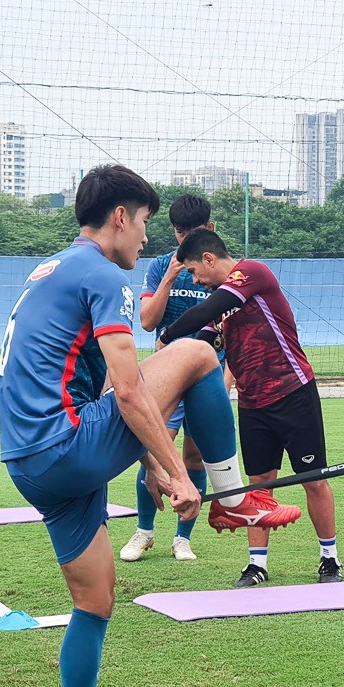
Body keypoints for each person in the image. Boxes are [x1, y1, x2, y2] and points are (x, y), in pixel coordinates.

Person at [0, 165, 300, 687]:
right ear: (119, 217)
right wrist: (179, 473)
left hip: (31, 464)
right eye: (142, 223)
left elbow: (104, 393)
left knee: (96, 600)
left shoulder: (50, 269)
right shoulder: (102, 273)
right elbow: (131, 391)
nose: (145, 238)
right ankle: (231, 497)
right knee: (196, 352)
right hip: (66, 447)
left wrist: (152, 463)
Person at [165, 228, 342, 588]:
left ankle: (329, 558)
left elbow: (205, 311)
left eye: (195, 272)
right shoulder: (221, 304)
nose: (196, 280)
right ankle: (256, 564)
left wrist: (167, 336)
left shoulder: (251, 273)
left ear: (209, 259)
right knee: (259, 486)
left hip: (293, 392)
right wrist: (171, 359)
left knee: (313, 479)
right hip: (252, 403)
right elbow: (204, 338)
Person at [119, 193, 220, 564]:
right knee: (153, 449)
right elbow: (147, 321)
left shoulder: (219, 269)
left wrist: (225, 381)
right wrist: (170, 278)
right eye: (180, 232)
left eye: (192, 232)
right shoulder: (161, 265)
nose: (185, 239)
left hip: (206, 378)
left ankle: (182, 538)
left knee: (194, 456)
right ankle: (144, 531)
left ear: (210, 229)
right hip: (166, 379)